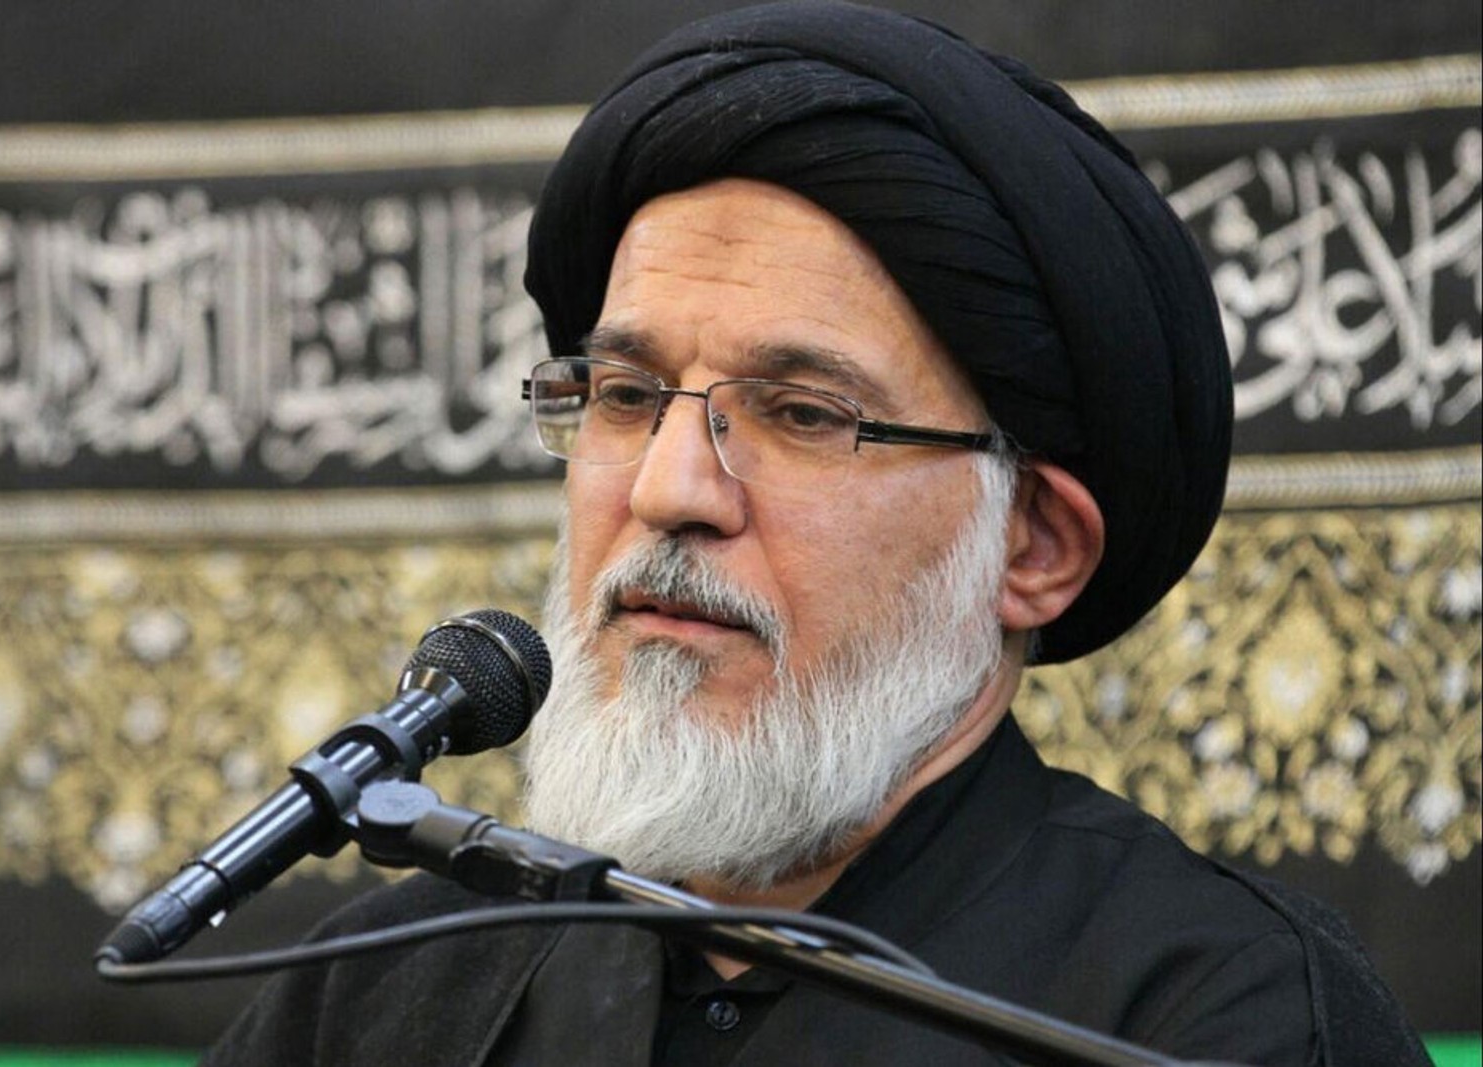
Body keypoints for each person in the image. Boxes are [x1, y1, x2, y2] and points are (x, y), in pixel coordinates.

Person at [204, 3, 1428, 1064]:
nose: (669, 488)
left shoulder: (1213, 1012)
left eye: (800, 413)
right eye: (626, 395)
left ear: (1032, 546)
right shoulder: (386, 987)